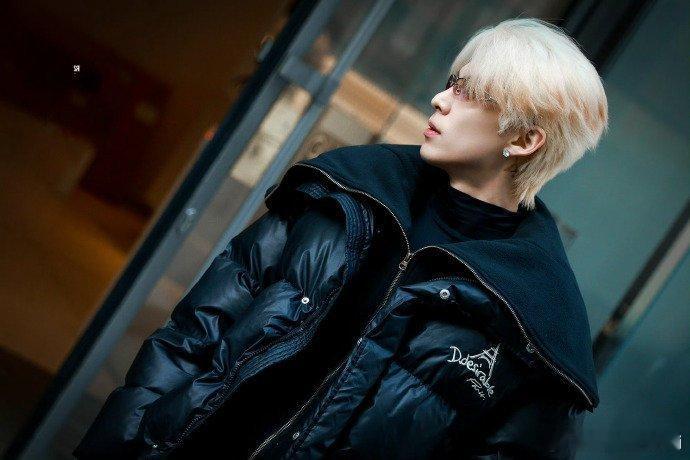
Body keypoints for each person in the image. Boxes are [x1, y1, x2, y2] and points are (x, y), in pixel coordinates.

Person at [74, 17, 608, 459]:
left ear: (525, 140)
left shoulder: (536, 327)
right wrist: (122, 442)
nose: (439, 100)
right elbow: (195, 331)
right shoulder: (346, 191)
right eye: (452, 82)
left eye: (470, 94)